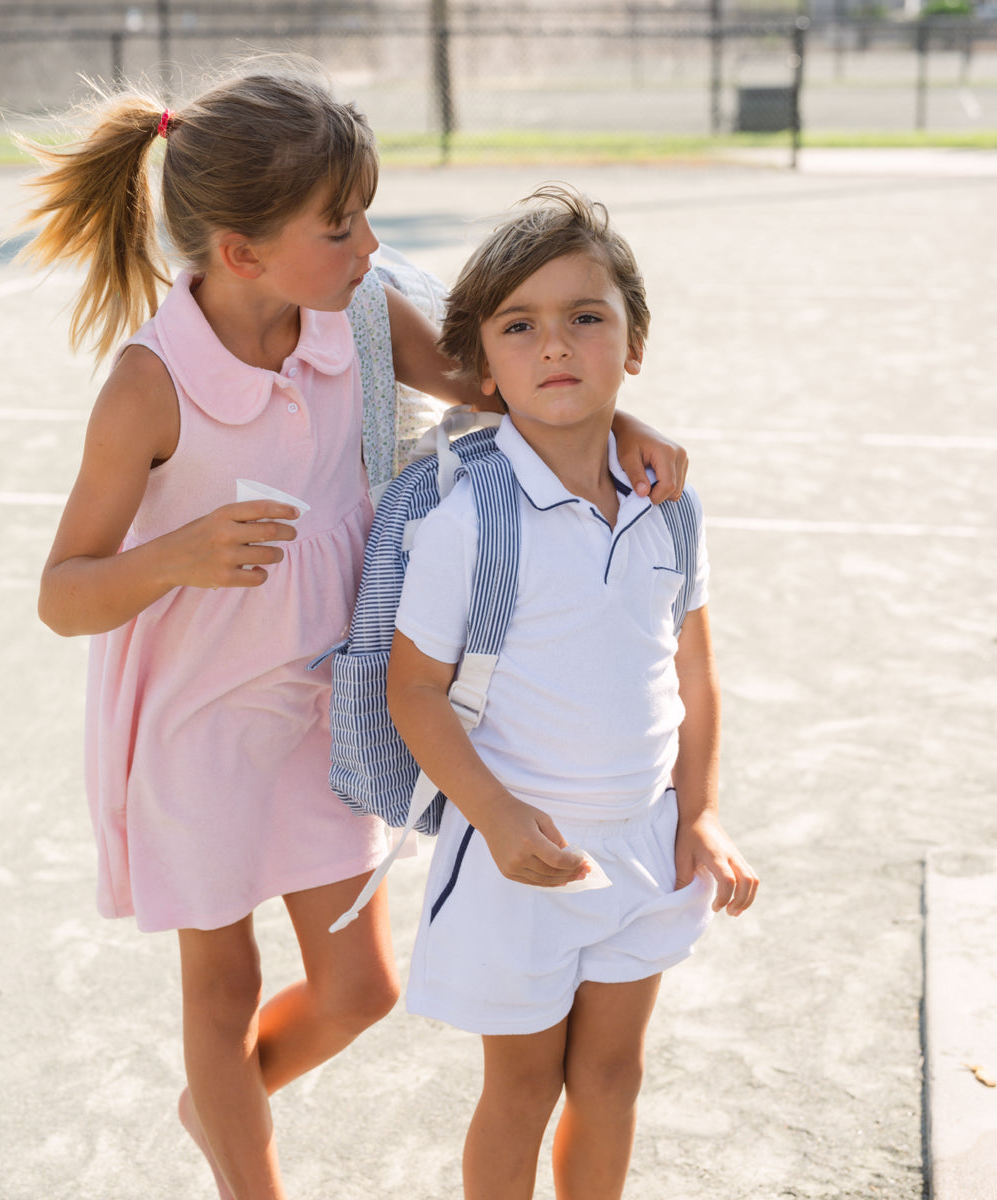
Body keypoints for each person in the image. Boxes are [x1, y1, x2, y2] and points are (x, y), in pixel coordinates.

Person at [17, 65, 692, 1200]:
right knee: (220, 996)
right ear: (241, 253)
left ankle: (217, 1104)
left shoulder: (357, 316)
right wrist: (178, 557)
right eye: (341, 226)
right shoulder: (149, 386)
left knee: (358, 992)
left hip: (334, 709)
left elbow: (499, 386)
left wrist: (616, 410)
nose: (372, 244)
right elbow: (62, 591)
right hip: (197, 726)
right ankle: (248, 1171)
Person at [387, 184, 760, 1200]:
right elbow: (412, 690)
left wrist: (706, 809)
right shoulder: (468, 517)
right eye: (521, 326)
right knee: (520, 1091)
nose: (555, 345)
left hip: (647, 846)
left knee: (612, 1075)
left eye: (585, 317)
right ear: (485, 368)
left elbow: (693, 668)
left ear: (633, 344)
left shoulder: (668, 505)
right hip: (520, 859)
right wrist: (499, 819)